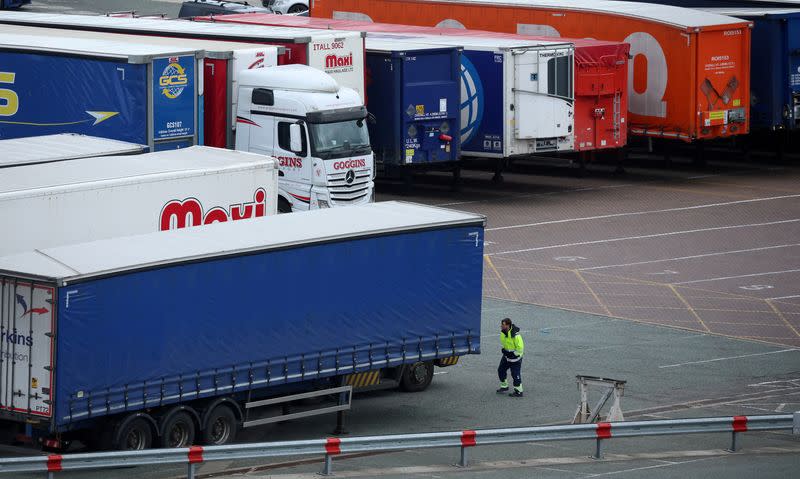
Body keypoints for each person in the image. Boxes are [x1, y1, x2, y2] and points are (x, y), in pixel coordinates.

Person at [497, 318, 524, 397]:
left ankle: (519, 391)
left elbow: (520, 348)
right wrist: (505, 350)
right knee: (501, 370)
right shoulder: (503, 333)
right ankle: (504, 386)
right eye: (501, 324)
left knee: (515, 374)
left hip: (515, 359)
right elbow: (505, 343)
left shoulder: (516, 335)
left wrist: (514, 354)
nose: (501, 326)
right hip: (507, 356)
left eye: (503, 325)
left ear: (508, 325)